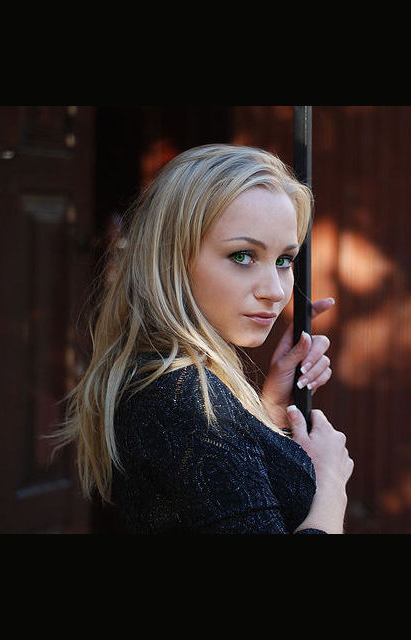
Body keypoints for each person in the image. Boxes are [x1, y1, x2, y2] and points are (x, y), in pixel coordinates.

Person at [53, 143, 354, 534]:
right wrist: (331, 486)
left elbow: (220, 502)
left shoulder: (172, 383)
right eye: (243, 256)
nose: (276, 291)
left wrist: (271, 411)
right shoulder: (182, 400)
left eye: (284, 260)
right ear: (172, 259)